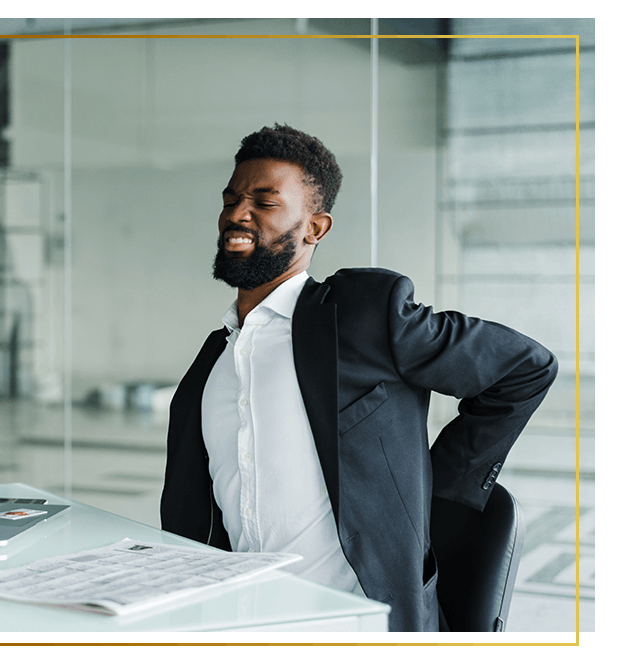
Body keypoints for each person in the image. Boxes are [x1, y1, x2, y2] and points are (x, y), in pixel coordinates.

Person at [160, 123, 558, 632]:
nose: (237, 214)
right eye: (232, 198)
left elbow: (525, 367)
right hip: (245, 620)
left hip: (360, 623)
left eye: (264, 201)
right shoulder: (215, 357)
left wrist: (438, 490)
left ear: (315, 228)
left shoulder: (363, 315)